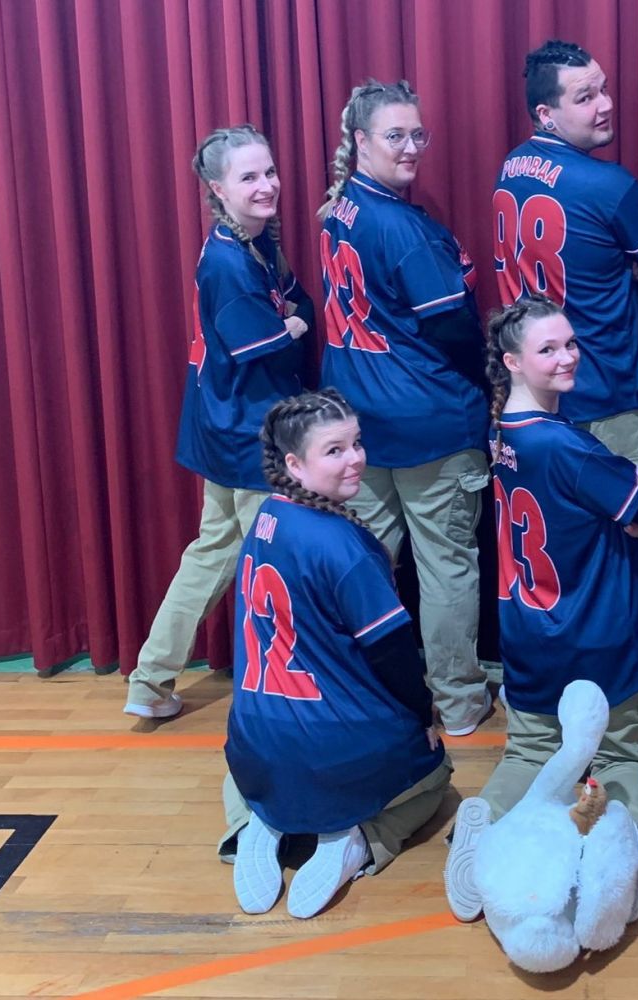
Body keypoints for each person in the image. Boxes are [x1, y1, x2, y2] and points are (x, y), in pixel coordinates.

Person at [443, 297, 638, 922]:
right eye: (547, 349)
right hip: (601, 627)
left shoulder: (503, 434)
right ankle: (613, 855)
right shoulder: (566, 445)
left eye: (570, 343)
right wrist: (626, 516)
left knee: (530, 750)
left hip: (530, 626)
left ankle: (486, 820)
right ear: (512, 361)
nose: (567, 356)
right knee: (623, 755)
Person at [225, 389, 452, 919]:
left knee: (243, 765)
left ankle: (257, 824)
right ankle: (356, 840)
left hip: (258, 734)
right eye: (334, 450)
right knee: (437, 776)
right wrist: (426, 715)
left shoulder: (264, 516)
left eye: (357, 443)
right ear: (294, 464)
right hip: (336, 746)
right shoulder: (343, 544)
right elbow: (393, 654)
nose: (355, 459)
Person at [318, 79, 492, 736]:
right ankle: (459, 701)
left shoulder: (339, 208)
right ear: (361, 140)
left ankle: (356, 688)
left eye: (418, 134)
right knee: (444, 564)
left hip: (360, 422)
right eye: (396, 135)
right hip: (428, 420)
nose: (411, 146)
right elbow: (453, 329)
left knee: (365, 563)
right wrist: (494, 384)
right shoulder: (403, 227)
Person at [125, 124, 314, 719]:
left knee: (214, 551)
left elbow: (300, 304)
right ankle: (280, 685)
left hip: (228, 426)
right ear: (218, 189)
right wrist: (292, 326)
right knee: (271, 561)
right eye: (248, 177)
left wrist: (294, 321)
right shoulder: (230, 263)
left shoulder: (257, 243)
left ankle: (150, 680)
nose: (266, 186)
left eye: (269, 172)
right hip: (246, 433)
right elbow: (273, 347)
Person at [492, 39, 638, 570]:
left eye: (604, 89)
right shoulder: (609, 184)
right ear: (546, 114)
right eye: (586, 97)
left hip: (535, 393)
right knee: (629, 539)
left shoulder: (511, 166)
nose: (605, 104)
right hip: (606, 386)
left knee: (560, 543)